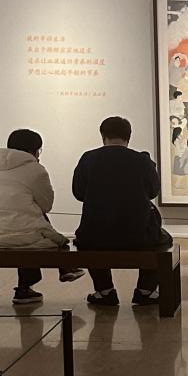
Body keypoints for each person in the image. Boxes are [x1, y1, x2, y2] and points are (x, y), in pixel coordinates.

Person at [0, 128, 84, 305]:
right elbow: (46, 205)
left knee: (25, 228)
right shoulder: (36, 170)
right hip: (18, 233)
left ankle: (27, 287)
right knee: (32, 233)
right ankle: (63, 268)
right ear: (34, 150)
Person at [72, 115, 168, 308]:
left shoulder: (88, 158)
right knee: (163, 240)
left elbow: (79, 193)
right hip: (138, 235)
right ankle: (146, 290)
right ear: (128, 137)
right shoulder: (142, 160)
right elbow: (153, 191)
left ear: (103, 136)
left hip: (95, 234)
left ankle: (105, 291)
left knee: (89, 240)